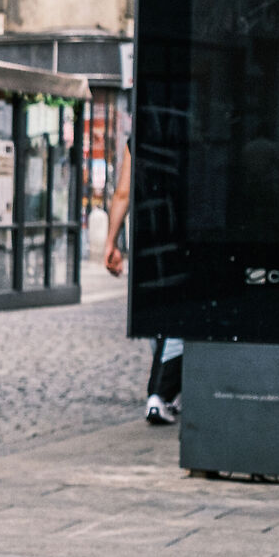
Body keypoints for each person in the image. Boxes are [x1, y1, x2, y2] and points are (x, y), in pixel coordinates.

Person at [104, 140, 182, 424]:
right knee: (181, 315)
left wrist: (111, 242)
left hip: (146, 237)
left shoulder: (138, 134)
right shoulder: (193, 124)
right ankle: (160, 394)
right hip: (182, 234)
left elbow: (123, 192)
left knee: (156, 312)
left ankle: (165, 392)